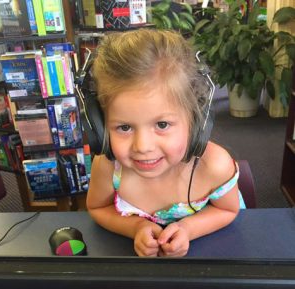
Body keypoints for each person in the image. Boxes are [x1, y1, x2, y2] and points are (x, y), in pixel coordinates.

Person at [86, 29, 245, 257]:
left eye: (162, 124)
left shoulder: (215, 166)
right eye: (124, 127)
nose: (143, 146)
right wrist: (135, 227)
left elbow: (228, 210)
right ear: (100, 126)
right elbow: (97, 207)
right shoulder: (108, 167)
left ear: (197, 121)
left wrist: (188, 229)